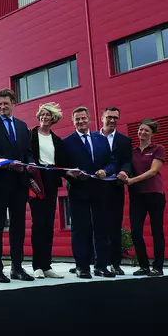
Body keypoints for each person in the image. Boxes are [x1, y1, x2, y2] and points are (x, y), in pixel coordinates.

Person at [0, 89, 34, 283]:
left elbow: (27, 152)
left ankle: (17, 268)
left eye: (6, 103)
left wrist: (28, 164)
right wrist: (8, 165)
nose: (2, 107)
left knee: (18, 226)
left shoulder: (22, 126)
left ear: (13, 103)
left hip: (20, 183)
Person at [62, 107, 117, 279]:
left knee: (101, 227)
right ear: (73, 121)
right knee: (80, 228)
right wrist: (70, 174)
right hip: (78, 189)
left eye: (83, 118)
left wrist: (106, 171)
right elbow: (62, 166)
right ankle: (82, 267)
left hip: (100, 189)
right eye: (77, 119)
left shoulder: (101, 140)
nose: (81, 122)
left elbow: (112, 162)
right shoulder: (67, 142)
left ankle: (101, 265)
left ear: (89, 119)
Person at [28, 102, 69, 279]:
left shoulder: (57, 140)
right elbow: (26, 157)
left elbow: (62, 163)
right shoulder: (30, 135)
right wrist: (29, 178)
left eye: (48, 115)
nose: (44, 117)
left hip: (51, 180)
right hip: (36, 181)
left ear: (54, 119)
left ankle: (46, 265)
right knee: (38, 223)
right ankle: (37, 265)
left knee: (49, 224)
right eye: (42, 114)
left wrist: (70, 172)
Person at [125, 120, 167, 276]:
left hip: (155, 194)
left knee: (157, 231)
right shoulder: (132, 151)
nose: (142, 133)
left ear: (152, 134)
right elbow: (126, 169)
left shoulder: (158, 149)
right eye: (140, 130)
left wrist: (132, 180)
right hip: (137, 196)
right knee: (136, 231)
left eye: (146, 131)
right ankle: (144, 266)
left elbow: (153, 171)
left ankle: (158, 267)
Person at [99, 107, 133, 275]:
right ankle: (99, 263)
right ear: (102, 118)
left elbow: (127, 161)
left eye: (116, 118)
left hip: (115, 188)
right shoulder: (92, 138)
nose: (112, 121)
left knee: (114, 226)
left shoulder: (124, 140)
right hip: (96, 188)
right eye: (110, 117)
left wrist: (125, 171)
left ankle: (115, 263)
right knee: (97, 226)